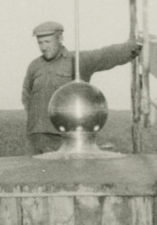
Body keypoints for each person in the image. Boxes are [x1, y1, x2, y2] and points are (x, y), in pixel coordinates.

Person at [21, 21, 141, 155]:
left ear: (60, 39)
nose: (43, 47)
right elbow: (26, 95)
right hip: (35, 138)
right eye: (40, 43)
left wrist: (135, 47)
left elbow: (105, 55)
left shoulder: (76, 60)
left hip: (63, 139)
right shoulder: (34, 66)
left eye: (47, 42)